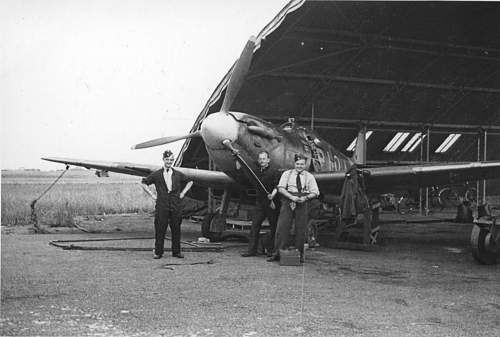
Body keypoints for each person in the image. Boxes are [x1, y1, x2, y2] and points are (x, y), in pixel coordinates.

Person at [268, 154, 319, 263]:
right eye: (297, 164)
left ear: (305, 165)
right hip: (288, 200)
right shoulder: (287, 174)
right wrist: (292, 197)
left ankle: (299, 254)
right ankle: (276, 253)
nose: (299, 166)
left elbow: (315, 192)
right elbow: (281, 188)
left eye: (302, 164)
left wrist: (305, 198)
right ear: (294, 163)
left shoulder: (309, 176)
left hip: (303, 202)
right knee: (282, 227)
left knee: (301, 229)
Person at [142, 150, 193, 259]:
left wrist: (183, 193)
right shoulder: (157, 174)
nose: (169, 162)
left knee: (176, 229)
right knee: (160, 229)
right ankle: (158, 252)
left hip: (175, 205)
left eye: (171, 160)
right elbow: (144, 183)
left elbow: (190, 181)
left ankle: (176, 252)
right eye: (167, 159)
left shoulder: (178, 174)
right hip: (162, 205)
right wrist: (152, 195)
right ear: (163, 160)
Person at [241, 151, 281, 257]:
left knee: (274, 226)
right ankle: (251, 250)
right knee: (255, 226)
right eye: (260, 159)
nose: (262, 161)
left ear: (268, 160)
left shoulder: (274, 171)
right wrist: (237, 159)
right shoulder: (257, 171)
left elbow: (278, 186)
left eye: (264, 159)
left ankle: (272, 251)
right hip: (260, 202)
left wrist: (272, 196)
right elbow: (247, 167)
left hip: (272, 202)